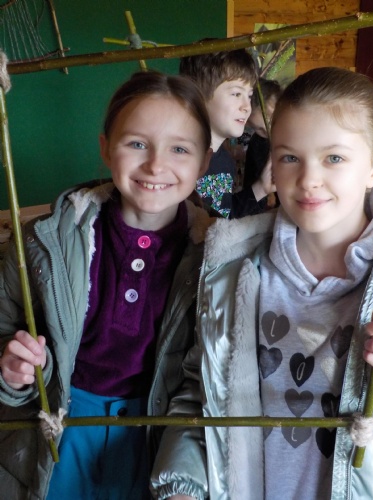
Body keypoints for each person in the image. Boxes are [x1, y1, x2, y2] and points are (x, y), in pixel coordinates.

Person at [150, 66, 373, 500]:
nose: (309, 179)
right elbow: (202, 392)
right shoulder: (233, 268)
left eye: (334, 158)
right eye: (289, 157)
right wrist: (184, 484)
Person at [0, 70, 213, 499]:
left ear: (204, 161)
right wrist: (14, 370)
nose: (156, 165)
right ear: (105, 148)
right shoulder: (43, 242)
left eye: (179, 149)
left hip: (157, 437)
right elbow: (5, 329)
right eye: (136, 144)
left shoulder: (216, 253)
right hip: (57, 430)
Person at [179, 49, 275, 219]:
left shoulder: (224, 160)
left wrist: (262, 187)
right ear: (198, 96)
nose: (247, 107)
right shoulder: (179, 157)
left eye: (249, 95)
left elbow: (221, 217)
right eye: (236, 94)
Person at [242, 78, 282, 191]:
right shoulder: (257, 144)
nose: (268, 132)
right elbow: (249, 186)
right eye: (258, 129)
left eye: (271, 122)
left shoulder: (301, 137)